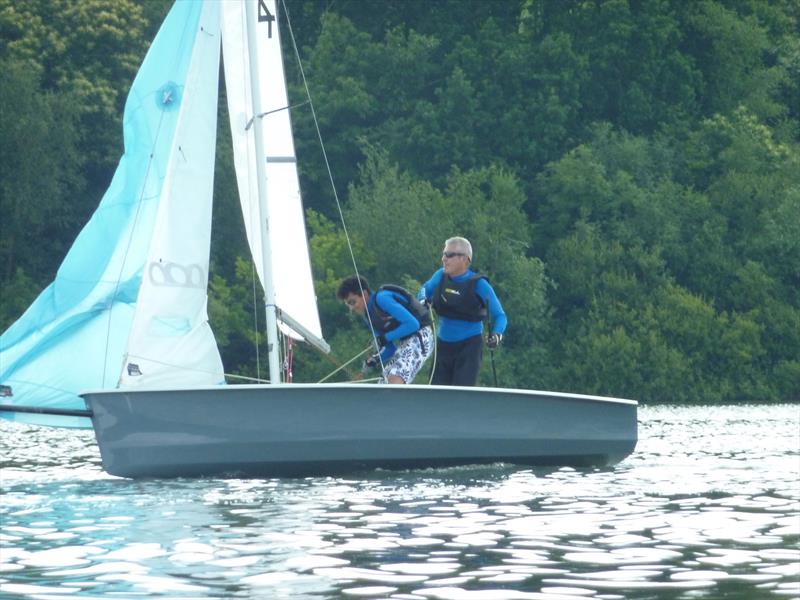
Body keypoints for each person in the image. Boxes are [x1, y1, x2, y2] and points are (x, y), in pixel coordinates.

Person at [418, 236, 507, 386]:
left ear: (465, 259)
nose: (444, 259)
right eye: (444, 254)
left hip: (469, 348)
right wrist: (423, 300)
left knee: (460, 396)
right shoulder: (440, 275)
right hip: (443, 346)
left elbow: (500, 316)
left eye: (450, 255)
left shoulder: (479, 284)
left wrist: (496, 335)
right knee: (436, 397)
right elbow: (424, 289)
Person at [337, 275, 433, 384]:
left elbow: (413, 324)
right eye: (348, 304)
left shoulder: (382, 299)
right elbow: (390, 348)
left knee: (395, 377)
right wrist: (376, 359)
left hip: (421, 335)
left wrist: (385, 338)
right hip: (406, 341)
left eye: (352, 302)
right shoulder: (368, 317)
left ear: (364, 294)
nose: (351, 308)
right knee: (383, 384)